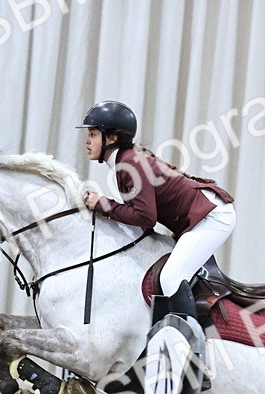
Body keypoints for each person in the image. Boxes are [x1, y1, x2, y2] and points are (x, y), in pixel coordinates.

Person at [77, 101, 236, 321]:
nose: (87, 140)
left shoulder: (130, 163)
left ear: (111, 138)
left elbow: (146, 218)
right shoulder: (126, 160)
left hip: (212, 217)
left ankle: (191, 345)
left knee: (171, 277)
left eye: (93, 134)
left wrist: (104, 204)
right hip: (201, 215)